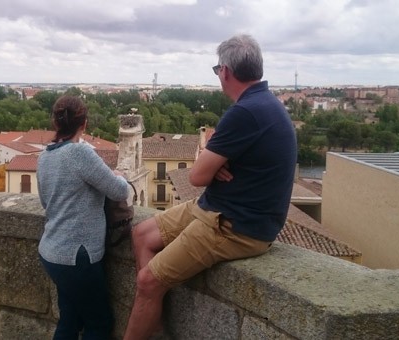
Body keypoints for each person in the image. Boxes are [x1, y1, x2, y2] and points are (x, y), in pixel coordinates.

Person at [123, 34, 297, 339]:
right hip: (218, 208)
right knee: (141, 234)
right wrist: (214, 162)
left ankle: (148, 304)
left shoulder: (244, 113)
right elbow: (208, 171)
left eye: (217, 70)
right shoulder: (266, 103)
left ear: (225, 71)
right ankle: (153, 321)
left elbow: (196, 177)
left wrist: (209, 160)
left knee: (148, 281)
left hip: (235, 226)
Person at [37, 95, 130, 339]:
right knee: (99, 324)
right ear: (84, 124)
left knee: (69, 320)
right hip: (78, 256)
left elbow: (46, 202)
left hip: (52, 251)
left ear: (56, 123)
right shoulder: (80, 154)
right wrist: (117, 175)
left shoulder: (44, 156)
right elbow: (120, 190)